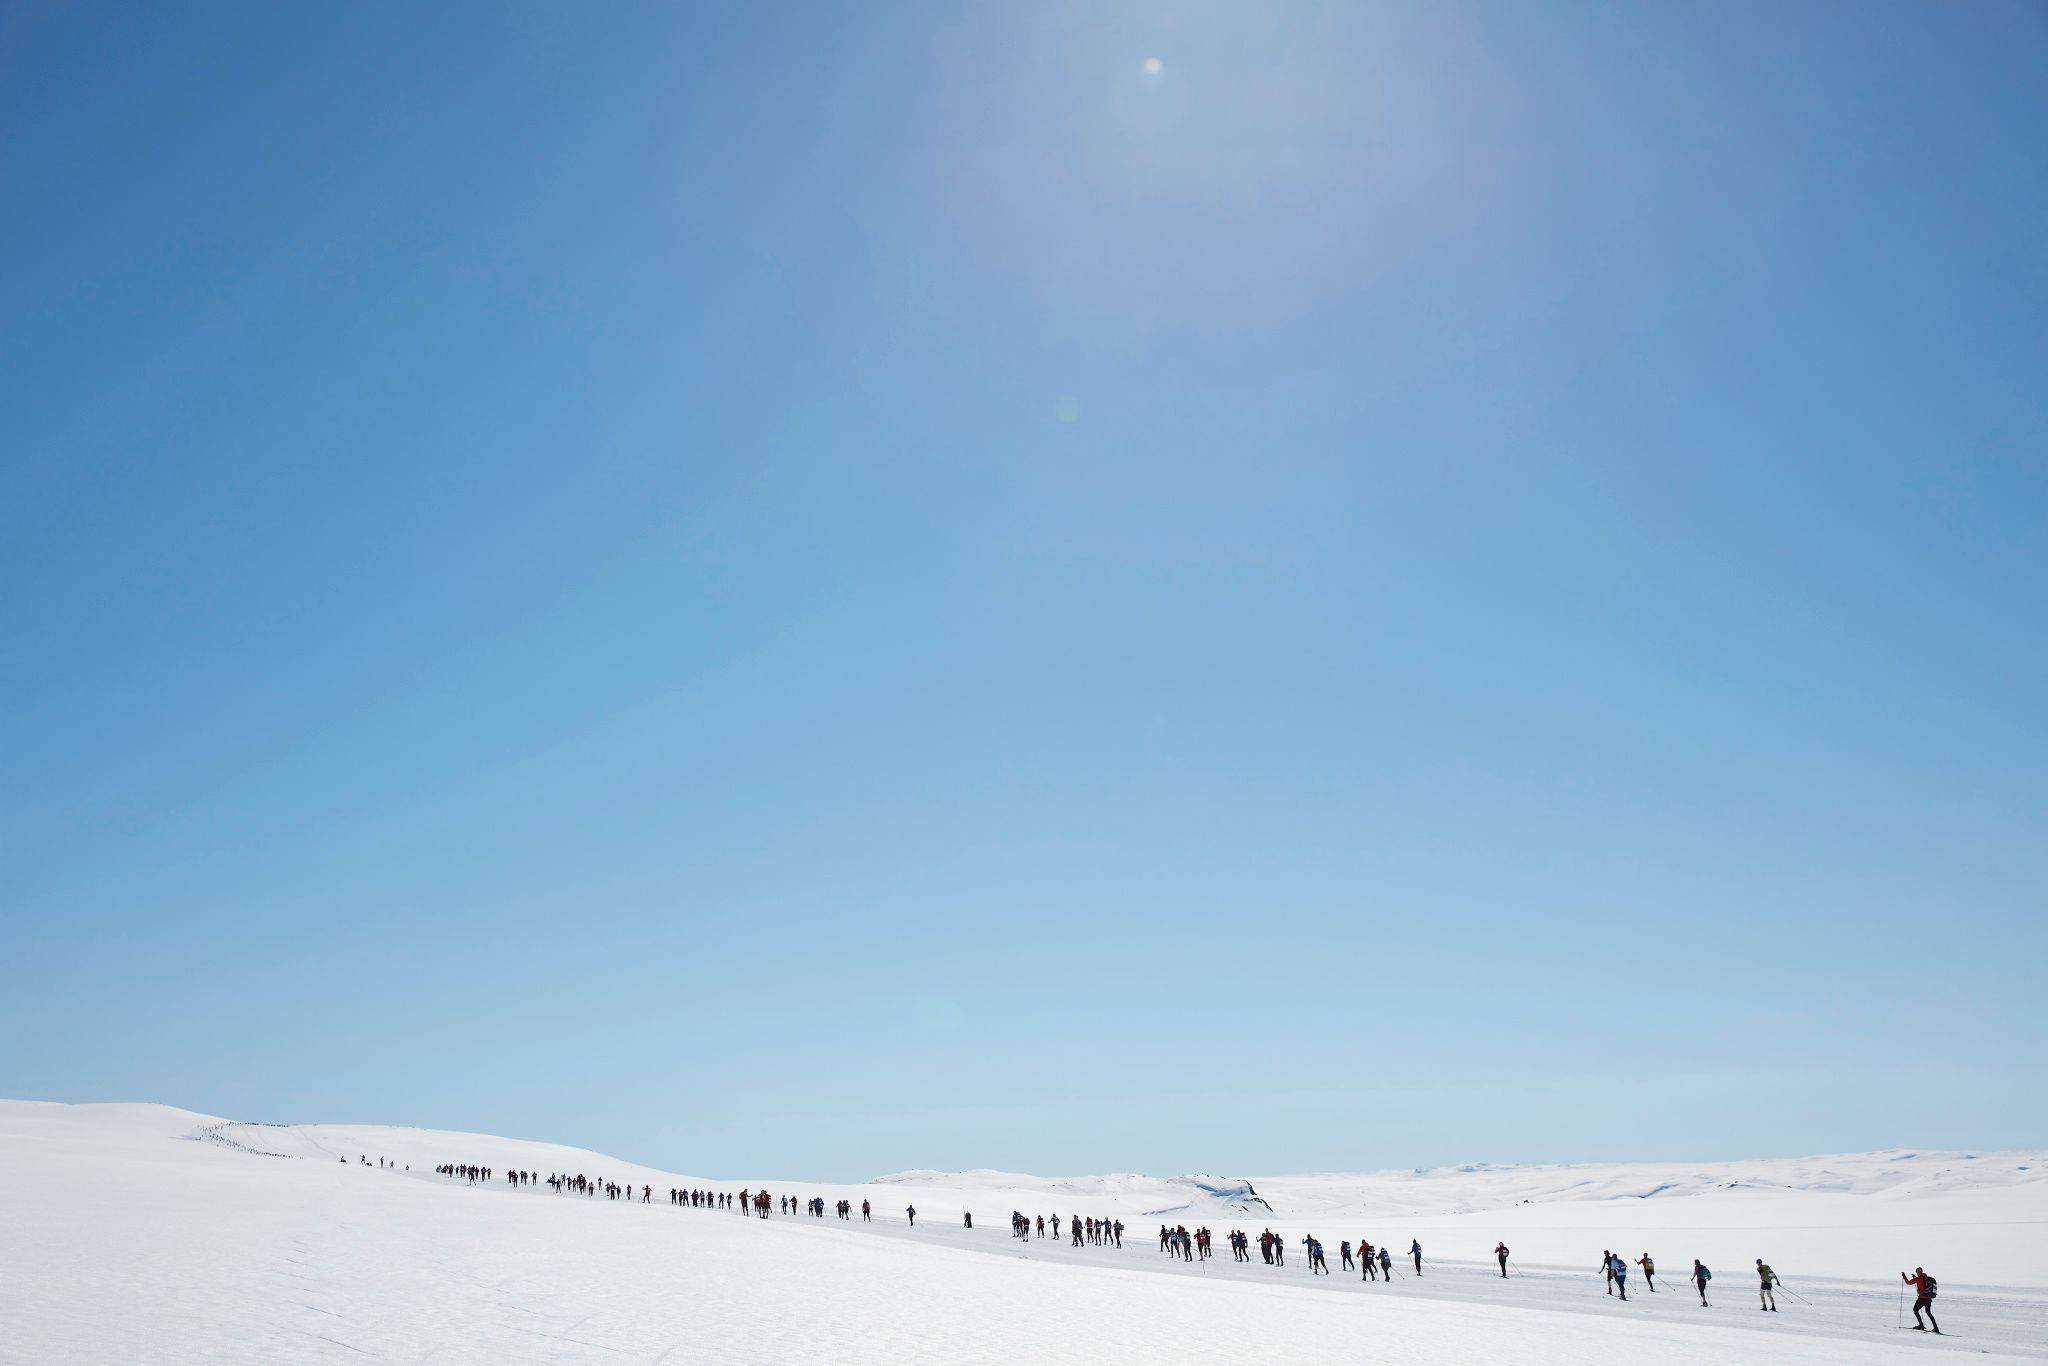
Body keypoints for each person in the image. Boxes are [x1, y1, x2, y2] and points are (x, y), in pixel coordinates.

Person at [1903, 1268, 1940, 1334]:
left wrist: (1904, 1276)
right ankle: (1936, 1328)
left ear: (1918, 1272)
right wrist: (1915, 1277)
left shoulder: (1918, 1279)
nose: (1916, 1272)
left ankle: (1921, 1325)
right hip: (1929, 1298)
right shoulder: (1926, 1278)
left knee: (1915, 1310)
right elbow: (1921, 1284)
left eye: (1917, 1271)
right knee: (1928, 1313)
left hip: (1922, 1298)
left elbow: (1908, 1282)